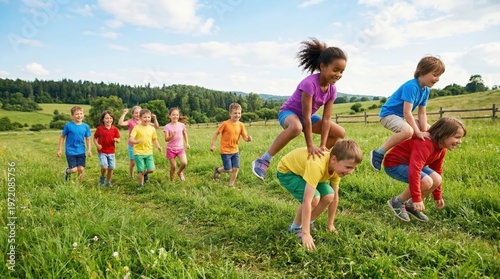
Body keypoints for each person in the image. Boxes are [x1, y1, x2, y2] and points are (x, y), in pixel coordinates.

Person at [252, 38, 346, 181]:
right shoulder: (309, 84)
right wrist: (310, 145)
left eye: (342, 71)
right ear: (323, 67)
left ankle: (314, 159)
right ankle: (264, 159)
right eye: (335, 70)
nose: (338, 74)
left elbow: (326, 119)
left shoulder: (332, 90)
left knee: (339, 133)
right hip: (289, 113)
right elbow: (306, 117)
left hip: (306, 118)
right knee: (296, 127)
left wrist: (321, 145)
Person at [278, 139, 363, 250]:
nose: (350, 172)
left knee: (329, 195)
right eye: (348, 167)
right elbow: (307, 201)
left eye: (353, 168)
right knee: (314, 198)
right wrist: (306, 234)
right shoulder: (316, 165)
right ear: (333, 159)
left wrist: (330, 225)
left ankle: (308, 223)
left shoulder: (337, 168)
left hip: (304, 171)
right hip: (288, 172)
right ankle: (295, 228)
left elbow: (335, 197)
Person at [370, 56, 445, 172]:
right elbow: (407, 112)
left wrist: (424, 131)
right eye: (435, 75)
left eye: (439, 76)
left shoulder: (426, 90)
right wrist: (418, 132)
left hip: (401, 117)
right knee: (408, 131)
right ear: (423, 72)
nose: (438, 79)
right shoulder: (412, 86)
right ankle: (379, 152)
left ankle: (422, 158)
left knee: (432, 131)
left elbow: (422, 113)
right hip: (388, 115)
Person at [385, 117, 466, 222]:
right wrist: (417, 198)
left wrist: (438, 195)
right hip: (394, 164)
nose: (459, 142)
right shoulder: (425, 145)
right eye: (457, 137)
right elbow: (414, 171)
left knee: (436, 178)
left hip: (410, 163)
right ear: (443, 134)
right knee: (426, 181)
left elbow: (437, 170)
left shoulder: (441, 149)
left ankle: (410, 206)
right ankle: (397, 202)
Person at [210, 103, 252, 187]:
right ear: (230, 113)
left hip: (235, 150)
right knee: (228, 169)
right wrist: (213, 145)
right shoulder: (225, 124)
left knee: (236, 168)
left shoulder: (241, 125)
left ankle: (231, 185)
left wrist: (248, 139)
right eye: (235, 113)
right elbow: (216, 133)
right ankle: (218, 170)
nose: (237, 115)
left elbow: (244, 137)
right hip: (225, 151)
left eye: (239, 113)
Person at [119, 106, 159, 180]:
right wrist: (124, 113)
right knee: (133, 162)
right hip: (132, 145)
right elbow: (121, 123)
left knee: (144, 161)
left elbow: (155, 126)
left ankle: (145, 174)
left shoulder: (144, 121)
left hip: (143, 147)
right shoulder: (130, 122)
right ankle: (131, 175)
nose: (137, 114)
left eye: (139, 112)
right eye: (136, 113)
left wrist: (154, 118)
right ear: (133, 114)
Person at [56, 106, 92, 184]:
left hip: (81, 151)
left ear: (83, 115)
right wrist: (59, 149)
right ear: (72, 115)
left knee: (81, 169)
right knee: (74, 170)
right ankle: (68, 171)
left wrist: (89, 149)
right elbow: (62, 137)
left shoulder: (86, 126)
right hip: (70, 151)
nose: (79, 116)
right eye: (77, 114)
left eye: (81, 113)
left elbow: (88, 139)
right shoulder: (68, 126)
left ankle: (79, 185)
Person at [129, 109, 163, 188]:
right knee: (140, 170)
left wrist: (158, 146)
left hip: (148, 152)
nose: (147, 119)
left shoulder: (152, 128)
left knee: (151, 169)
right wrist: (136, 141)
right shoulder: (136, 128)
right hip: (138, 153)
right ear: (140, 118)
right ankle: (140, 185)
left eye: (148, 117)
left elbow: (154, 139)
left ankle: (144, 173)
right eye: (144, 117)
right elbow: (131, 138)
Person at [93, 110, 121, 186]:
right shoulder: (100, 129)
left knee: (111, 167)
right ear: (103, 119)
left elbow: (118, 138)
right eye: (107, 118)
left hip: (111, 151)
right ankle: (102, 177)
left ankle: (108, 182)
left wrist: (117, 140)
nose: (109, 120)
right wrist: (97, 145)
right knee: (104, 167)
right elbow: (95, 138)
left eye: (111, 118)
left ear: (113, 119)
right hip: (102, 151)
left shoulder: (115, 129)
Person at [164, 107, 190, 182]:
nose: (175, 116)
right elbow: (166, 139)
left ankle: (179, 172)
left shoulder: (181, 125)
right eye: (173, 115)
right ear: (169, 116)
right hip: (170, 149)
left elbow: (185, 134)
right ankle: (172, 181)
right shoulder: (167, 126)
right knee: (173, 166)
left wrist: (187, 143)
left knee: (184, 163)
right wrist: (171, 136)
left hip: (180, 148)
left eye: (177, 115)